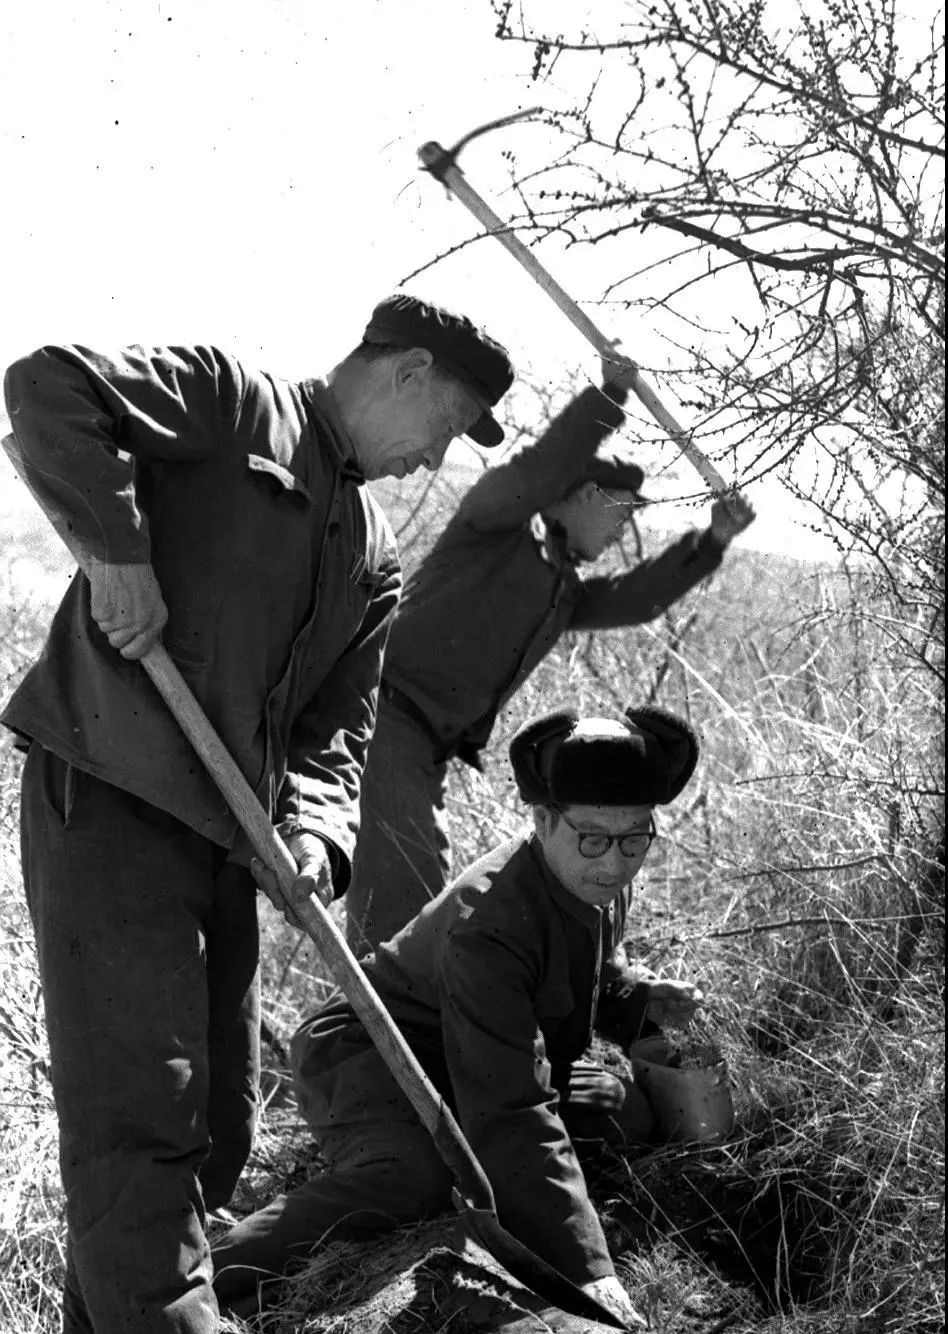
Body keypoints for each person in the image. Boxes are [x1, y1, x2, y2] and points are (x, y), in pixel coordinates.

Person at [0, 293, 514, 1334]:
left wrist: (315, 831)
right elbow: (45, 388)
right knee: (145, 1115)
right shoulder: (234, 405)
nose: (436, 459)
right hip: (111, 801)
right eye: (447, 427)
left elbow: (340, 731)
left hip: (226, 848)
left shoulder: (372, 552)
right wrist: (115, 549)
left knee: (219, 1123)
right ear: (407, 373)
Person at [213, 702, 705, 1329]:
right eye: (594, 839)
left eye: (636, 839)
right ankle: (213, 1278)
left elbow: (584, 967)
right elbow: (510, 1109)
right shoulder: (488, 925)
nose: (614, 862)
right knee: (412, 1177)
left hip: (476, 1057)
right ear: (543, 820)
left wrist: (637, 996)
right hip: (374, 1051)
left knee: (622, 1111)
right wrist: (591, 1275)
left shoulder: (596, 871)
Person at [346, 353, 755, 950]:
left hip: (422, 749)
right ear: (583, 494)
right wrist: (606, 401)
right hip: (387, 717)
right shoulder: (493, 529)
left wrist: (713, 541)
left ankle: (387, 1026)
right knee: (410, 904)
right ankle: (382, 1033)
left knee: (407, 900)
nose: (622, 533)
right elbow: (541, 468)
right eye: (618, 514)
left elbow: (634, 601)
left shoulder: (560, 591)